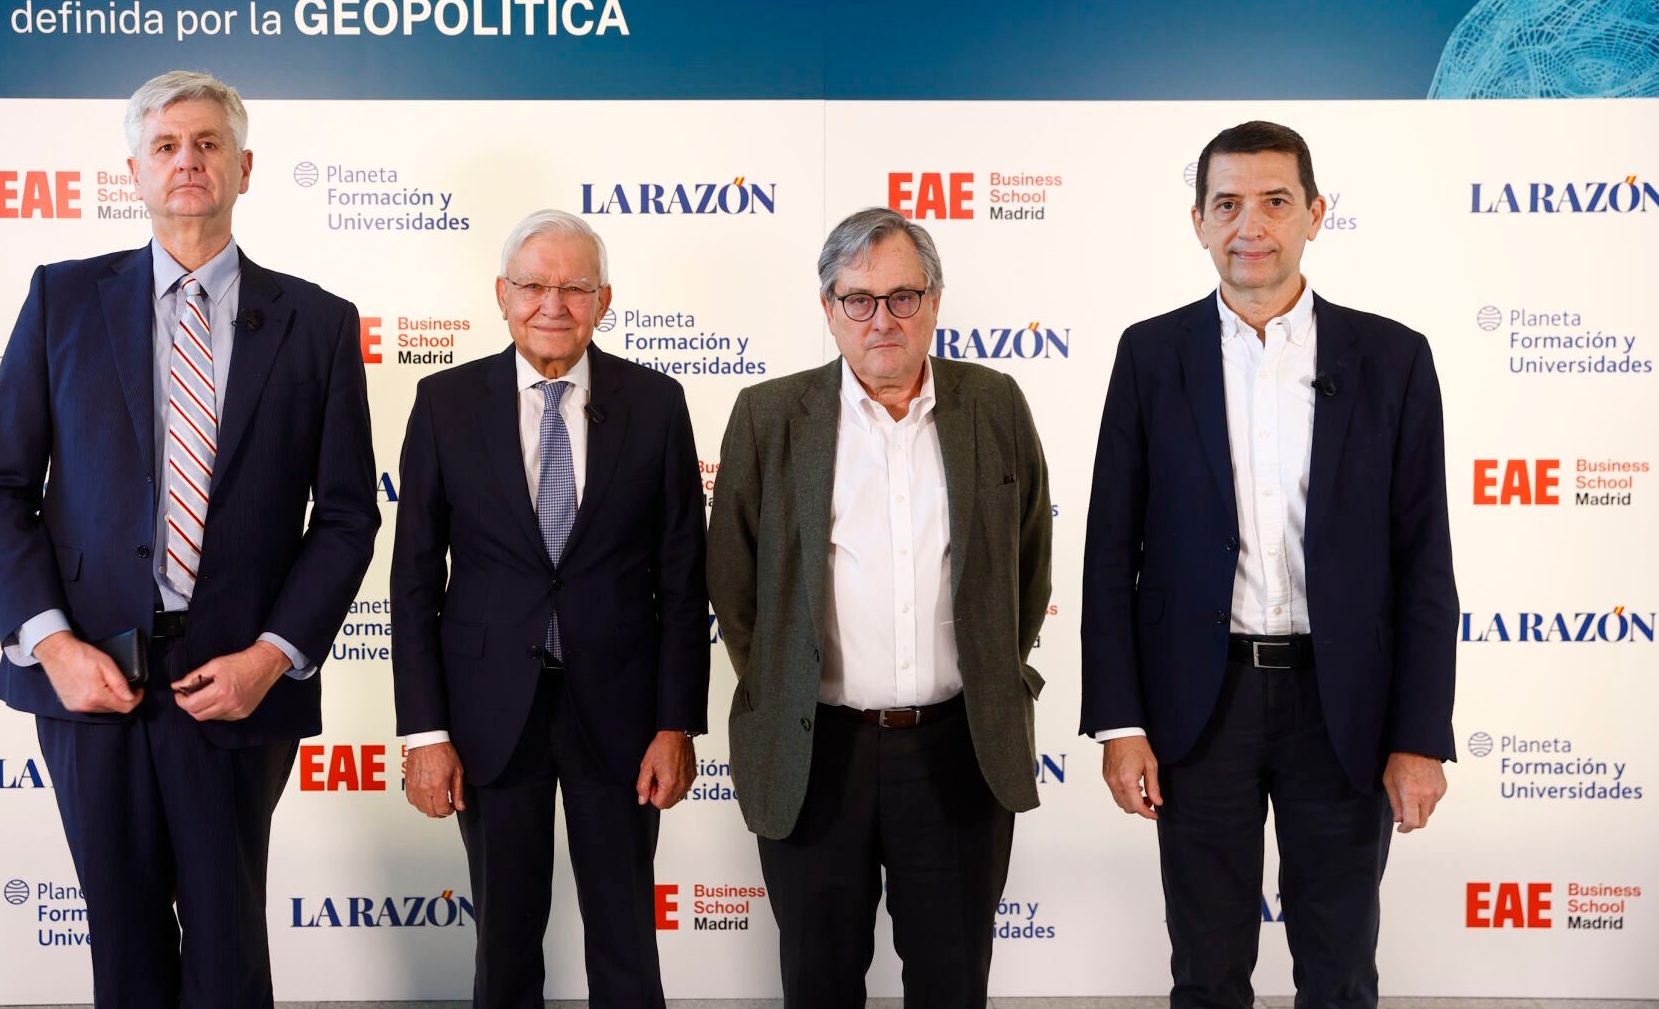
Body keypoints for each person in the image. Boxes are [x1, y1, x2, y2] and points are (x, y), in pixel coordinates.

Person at [0, 70, 380, 1009]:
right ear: (135, 173)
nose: (186, 161)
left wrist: (270, 658)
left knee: (230, 959)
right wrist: (53, 646)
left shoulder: (318, 322)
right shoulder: (63, 299)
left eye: (206, 143)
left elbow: (348, 515)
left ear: (244, 168)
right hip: (91, 678)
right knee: (126, 953)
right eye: (165, 146)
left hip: (236, 687)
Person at [1080, 120, 1457, 1008]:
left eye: (1275, 202)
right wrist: (1120, 722)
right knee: (1206, 969)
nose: (1250, 225)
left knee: (1340, 969)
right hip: (1199, 706)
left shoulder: (1393, 357)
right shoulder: (1149, 355)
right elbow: (1109, 551)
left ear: (1315, 215)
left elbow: (1424, 560)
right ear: (1199, 222)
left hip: (1345, 706)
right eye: (1227, 204)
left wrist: (1419, 734)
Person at [707, 206, 1053, 1009]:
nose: (882, 319)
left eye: (903, 296)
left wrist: (995, 667)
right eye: (858, 299)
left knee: (952, 984)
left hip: (958, 749)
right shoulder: (768, 415)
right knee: (819, 985)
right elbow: (735, 583)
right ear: (828, 308)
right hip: (816, 753)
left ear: (934, 301)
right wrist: (787, 683)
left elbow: (1029, 559)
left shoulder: (994, 403)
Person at [390, 208, 708, 1008]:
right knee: (503, 941)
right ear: (502, 294)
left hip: (623, 714)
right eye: (534, 285)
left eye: (575, 287)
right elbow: (415, 580)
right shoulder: (444, 403)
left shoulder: (657, 402)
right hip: (489, 714)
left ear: (604, 301)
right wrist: (426, 733)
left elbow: (683, 580)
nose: (553, 305)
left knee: (627, 939)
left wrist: (676, 723)